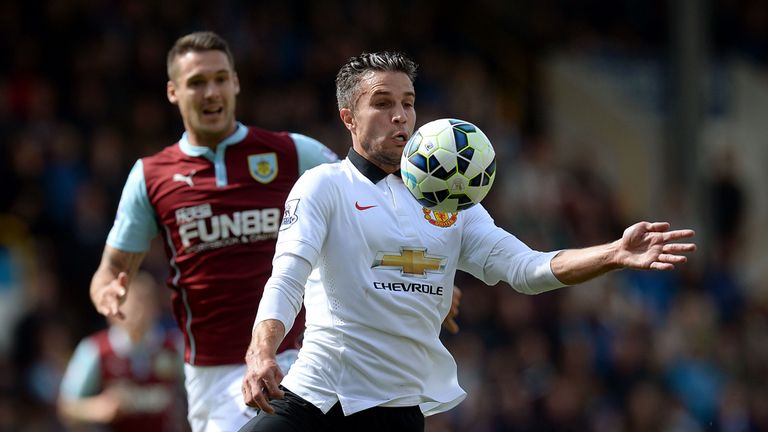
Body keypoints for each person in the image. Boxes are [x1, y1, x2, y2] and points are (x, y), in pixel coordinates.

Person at [238, 51, 696, 431]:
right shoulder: (325, 186)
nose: (400, 115)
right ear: (348, 118)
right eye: (381, 103)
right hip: (316, 395)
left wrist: (613, 253)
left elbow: (526, 270)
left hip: (395, 411)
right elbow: (288, 276)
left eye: (409, 102)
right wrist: (263, 350)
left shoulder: (455, 203)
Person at [88, 31, 341, 432]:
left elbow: (365, 206)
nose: (211, 92)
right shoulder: (150, 176)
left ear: (236, 83)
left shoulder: (292, 152)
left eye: (220, 78)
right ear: (173, 92)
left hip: (293, 353)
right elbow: (111, 268)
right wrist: (106, 290)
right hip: (211, 375)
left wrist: (412, 266)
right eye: (197, 82)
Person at [59, 271, 187, 431]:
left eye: (145, 302)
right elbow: (66, 407)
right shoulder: (95, 349)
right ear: (114, 310)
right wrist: (99, 408)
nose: (139, 312)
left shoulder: (175, 346)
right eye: (132, 304)